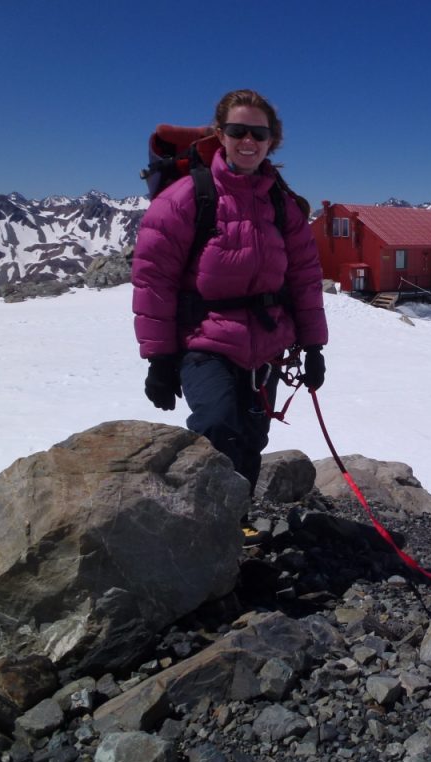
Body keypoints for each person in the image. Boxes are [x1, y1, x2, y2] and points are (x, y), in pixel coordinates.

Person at [132, 89, 328, 494]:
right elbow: (155, 279)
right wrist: (160, 359)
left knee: (253, 437)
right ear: (220, 134)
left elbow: (305, 277)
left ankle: (237, 524)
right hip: (205, 339)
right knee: (218, 427)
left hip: (267, 344)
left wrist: (313, 347)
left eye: (260, 133)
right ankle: (207, 527)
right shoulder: (186, 198)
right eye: (239, 131)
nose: (249, 141)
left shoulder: (282, 203)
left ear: (272, 140)